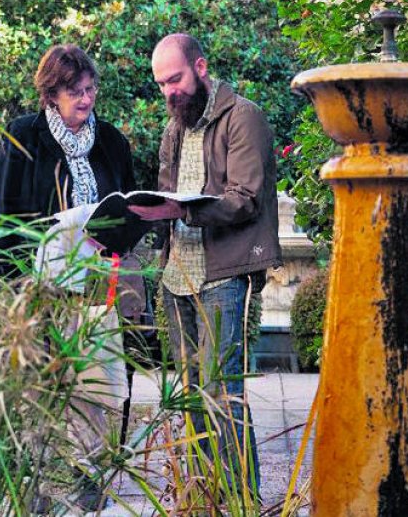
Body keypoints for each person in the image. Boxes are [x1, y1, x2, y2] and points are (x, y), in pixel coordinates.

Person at [130, 33, 281, 503]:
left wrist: (184, 212)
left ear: (200, 66)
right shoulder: (175, 126)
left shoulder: (244, 116)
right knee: (191, 395)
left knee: (222, 394)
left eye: (174, 79)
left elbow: (246, 200)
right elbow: (166, 191)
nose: (168, 92)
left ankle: (240, 503)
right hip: (178, 278)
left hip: (222, 276)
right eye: (160, 84)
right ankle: (202, 501)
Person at [0, 44, 137, 511]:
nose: (86, 99)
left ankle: (90, 479)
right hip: (39, 289)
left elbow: (128, 210)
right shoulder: (22, 136)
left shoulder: (111, 142)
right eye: (75, 92)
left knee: (102, 389)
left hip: (95, 287)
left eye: (91, 89)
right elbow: (0, 218)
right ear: (51, 94)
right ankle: (43, 489)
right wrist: (4, 294)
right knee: (40, 391)